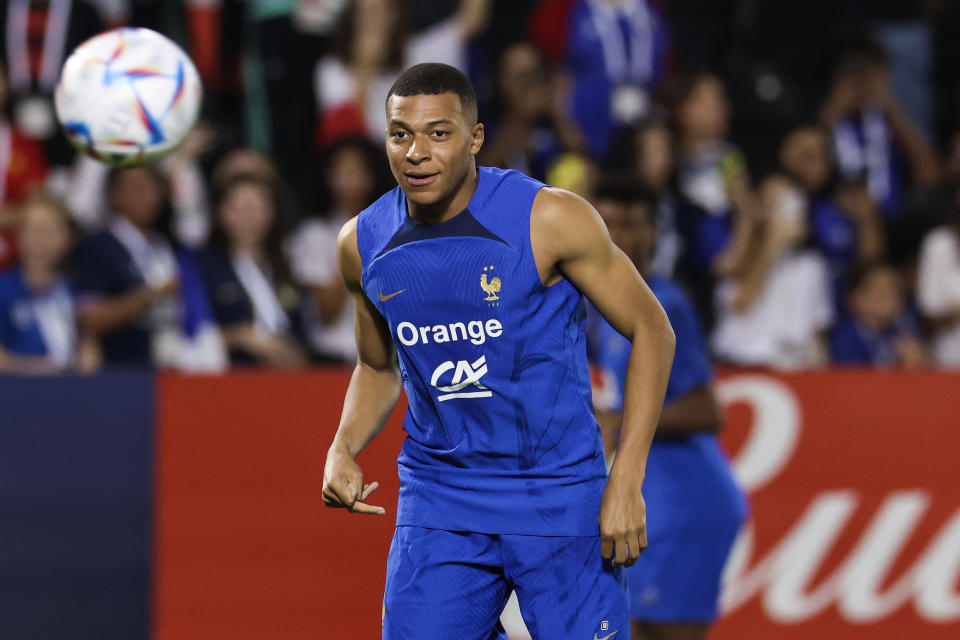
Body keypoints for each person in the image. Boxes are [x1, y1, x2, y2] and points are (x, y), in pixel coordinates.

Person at [321, 63, 675, 639]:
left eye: (439, 133)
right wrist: (343, 447)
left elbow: (653, 329)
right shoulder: (362, 244)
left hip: (558, 494)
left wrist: (626, 478)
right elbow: (379, 364)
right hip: (442, 498)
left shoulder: (550, 218)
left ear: (476, 138)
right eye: (400, 134)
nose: (416, 152)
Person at [586, 178, 746, 640]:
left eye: (630, 225)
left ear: (653, 232)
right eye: (607, 224)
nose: (618, 236)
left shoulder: (664, 301)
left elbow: (705, 409)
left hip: (688, 504)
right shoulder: (608, 306)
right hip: (653, 503)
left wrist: (619, 420)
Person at [73, 166, 225, 371]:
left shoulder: (172, 246)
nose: (146, 195)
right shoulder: (99, 247)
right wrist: (152, 295)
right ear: (114, 194)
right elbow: (90, 320)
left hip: (179, 368)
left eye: (153, 186)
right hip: (124, 372)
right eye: (136, 187)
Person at [661, 72, 759, 329]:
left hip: (719, 295)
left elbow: (729, 263)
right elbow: (721, 263)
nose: (723, 109)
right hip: (676, 287)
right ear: (683, 110)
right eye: (711, 101)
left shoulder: (729, 159)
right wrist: (746, 210)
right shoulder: (668, 168)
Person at [711, 174, 833, 369]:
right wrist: (770, 247)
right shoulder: (740, 254)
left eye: (789, 202)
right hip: (743, 365)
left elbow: (817, 331)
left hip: (795, 370)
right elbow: (740, 304)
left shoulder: (812, 266)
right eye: (775, 202)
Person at [287, 137, 390, 362]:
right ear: (328, 176)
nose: (350, 178)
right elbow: (327, 314)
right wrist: (355, 248)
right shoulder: (315, 234)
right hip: (332, 357)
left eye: (358, 170)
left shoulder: (393, 229)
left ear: (372, 176)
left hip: (388, 357)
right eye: (343, 170)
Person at [199, 173, 306, 368]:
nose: (248, 217)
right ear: (220, 212)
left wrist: (293, 352)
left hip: (286, 381)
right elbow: (189, 336)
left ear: (272, 213)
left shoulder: (283, 266)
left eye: (257, 208)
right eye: (239, 208)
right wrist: (241, 336)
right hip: (227, 379)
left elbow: (301, 329)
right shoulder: (203, 266)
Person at [0, 191, 96, 373]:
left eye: (50, 230)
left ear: (67, 238)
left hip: (70, 391)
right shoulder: (3, 289)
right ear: (19, 236)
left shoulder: (74, 289)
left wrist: (88, 357)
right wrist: (42, 370)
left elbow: (88, 345)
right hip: (15, 392)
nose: (42, 239)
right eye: (35, 230)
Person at [830, 261, 925, 367]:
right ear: (857, 298)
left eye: (897, 291)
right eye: (882, 292)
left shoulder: (900, 332)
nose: (893, 298)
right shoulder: (847, 341)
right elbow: (853, 381)